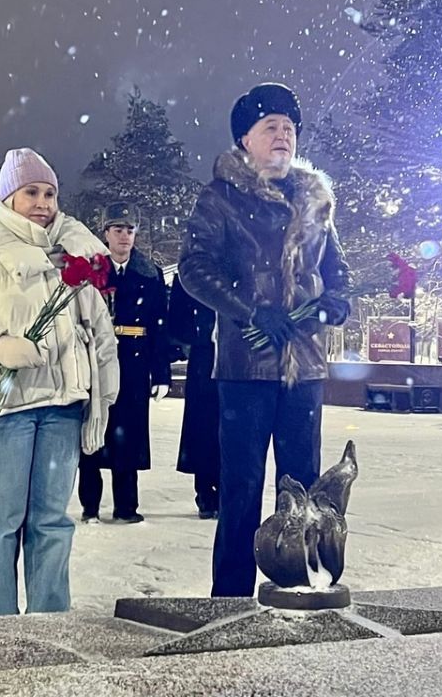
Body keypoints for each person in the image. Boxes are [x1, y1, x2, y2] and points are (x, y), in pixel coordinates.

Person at [178, 82, 352, 597]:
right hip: (246, 367)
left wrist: (335, 302)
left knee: (305, 489)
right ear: (246, 141)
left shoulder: (316, 200)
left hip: (306, 366)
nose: (283, 136)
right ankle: (229, 598)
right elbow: (193, 268)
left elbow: (338, 272)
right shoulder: (221, 198)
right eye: (270, 127)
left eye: (289, 128)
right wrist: (251, 310)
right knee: (242, 490)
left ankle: (301, 587)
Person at [0, 148, 119, 616]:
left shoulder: (73, 259)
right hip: (6, 406)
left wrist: (105, 391)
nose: (42, 202)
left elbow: (99, 333)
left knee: (52, 520)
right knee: (5, 519)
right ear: (8, 198)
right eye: (31, 192)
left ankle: (50, 619)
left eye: (50, 193)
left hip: (62, 407)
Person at [78, 203, 171, 524]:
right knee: (93, 428)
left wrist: (161, 372)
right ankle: (90, 505)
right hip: (97, 359)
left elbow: (161, 326)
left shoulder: (149, 273)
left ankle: (126, 507)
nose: (124, 237)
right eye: (118, 230)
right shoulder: (89, 270)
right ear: (105, 233)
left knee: (129, 434)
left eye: (130, 230)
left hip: (134, 361)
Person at [167, 275, 220, 519]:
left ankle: (225, 488)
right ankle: (205, 490)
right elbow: (176, 321)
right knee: (202, 423)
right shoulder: (189, 275)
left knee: (231, 426)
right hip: (203, 355)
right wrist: (196, 339)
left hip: (233, 356)